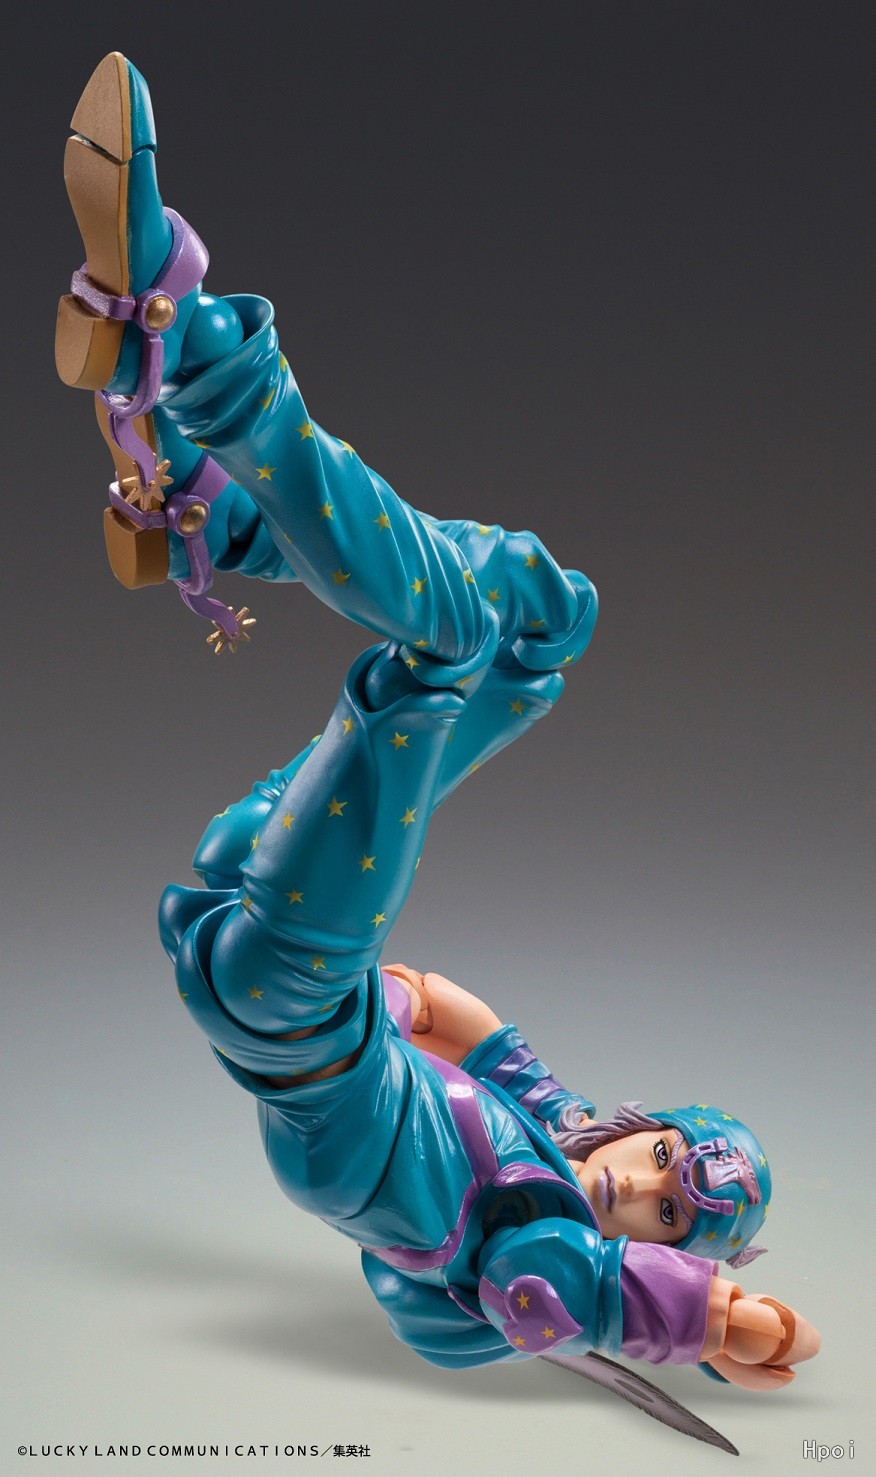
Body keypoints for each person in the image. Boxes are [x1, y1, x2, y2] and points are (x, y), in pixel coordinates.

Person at [57, 53, 819, 1395]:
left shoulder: (535, 1247)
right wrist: (411, 994)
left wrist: (721, 1322)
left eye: (660, 1211)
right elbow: (479, 1025)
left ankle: (197, 349)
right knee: (539, 628)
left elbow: (607, 1299)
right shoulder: (551, 1125)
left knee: (446, 645)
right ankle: (214, 521)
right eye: (656, 1160)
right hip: (274, 921)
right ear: (640, 1124)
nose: (635, 1188)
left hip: (301, 1012)